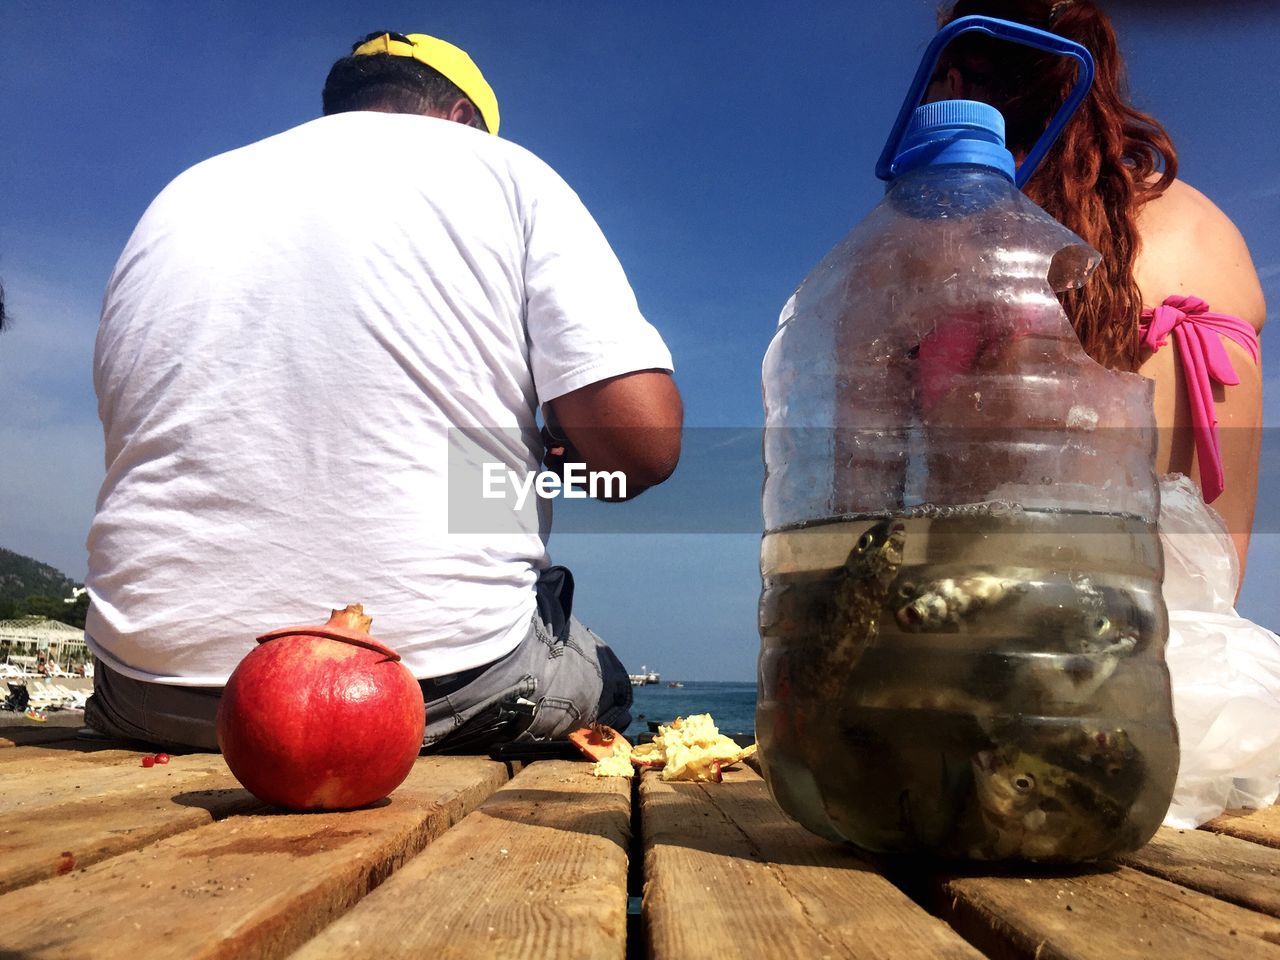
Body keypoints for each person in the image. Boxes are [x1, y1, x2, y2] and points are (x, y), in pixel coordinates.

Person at [84, 31, 682, 753]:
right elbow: (643, 451)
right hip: (430, 688)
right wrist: (562, 461)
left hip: (147, 690)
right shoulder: (503, 172)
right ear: (463, 118)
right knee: (607, 680)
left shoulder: (184, 192)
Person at [930, 0, 1275, 826]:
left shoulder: (976, 243)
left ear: (951, 83)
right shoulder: (1216, 231)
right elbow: (1212, 566)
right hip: (1217, 707)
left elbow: (951, 553)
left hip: (1033, 714)